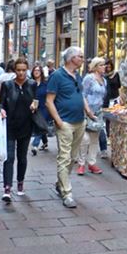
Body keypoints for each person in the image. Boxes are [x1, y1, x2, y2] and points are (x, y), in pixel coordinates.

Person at [45, 46, 98, 208]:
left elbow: (80, 95)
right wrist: (59, 122)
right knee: (64, 157)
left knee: (73, 157)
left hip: (79, 121)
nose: (83, 59)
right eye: (80, 56)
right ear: (71, 59)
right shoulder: (57, 76)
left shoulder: (77, 76)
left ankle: (61, 182)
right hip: (65, 123)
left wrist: (88, 112)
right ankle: (67, 193)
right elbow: (49, 101)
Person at [0, 57, 37, 202]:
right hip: (10, 125)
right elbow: (1, 103)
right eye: (18, 70)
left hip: (26, 125)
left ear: (27, 69)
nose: (21, 73)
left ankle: (20, 183)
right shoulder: (7, 85)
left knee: (22, 157)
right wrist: (1, 111)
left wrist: (35, 105)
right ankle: (7, 188)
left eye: (23, 70)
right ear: (14, 70)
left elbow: (36, 99)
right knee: (9, 157)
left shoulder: (32, 84)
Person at [78, 57, 107, 176]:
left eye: (104, 65)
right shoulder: (89, 78)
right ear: (96, 67)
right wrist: (87, 110)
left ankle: (92, 163)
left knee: (95, 139)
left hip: (98, 112)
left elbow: (102, 96)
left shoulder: (104, 80)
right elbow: (82, 94)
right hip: (87, 110)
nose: (104, 67)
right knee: (85, 139)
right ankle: (81, 163)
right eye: (102, 65)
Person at [100, 58, 122, 157]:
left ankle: (113, 135)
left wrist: (121, 96)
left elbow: (119, 86)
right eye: (106, 66)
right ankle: (108, 135)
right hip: (106, 100)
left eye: (109, 66)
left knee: (115, 117)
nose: (108, 68)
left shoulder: (116, 74)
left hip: (115, 99)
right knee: (107, 119)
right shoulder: (103, 76)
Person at [30, 65, 50, 155]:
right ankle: (45, 142)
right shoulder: (30, 83)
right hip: (34, 107)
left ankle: (35, 145)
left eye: (38, 70)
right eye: (35, 70)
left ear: (41, 72)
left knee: (40, 125)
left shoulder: (46, 84)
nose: (36, 72)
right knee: (40, 126)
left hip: (44, 108)